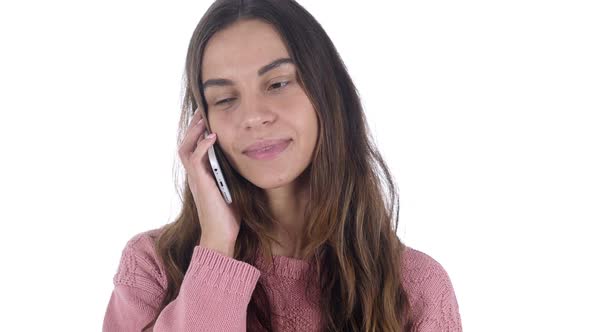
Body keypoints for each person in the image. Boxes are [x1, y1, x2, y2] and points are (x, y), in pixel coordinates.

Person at [102, 0, 462, 331]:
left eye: (277, 83)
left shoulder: (415, 289)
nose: (253, 117)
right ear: (202, 125)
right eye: (225, 98)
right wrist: (214, 252)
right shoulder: (153, 268)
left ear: (326, 94)